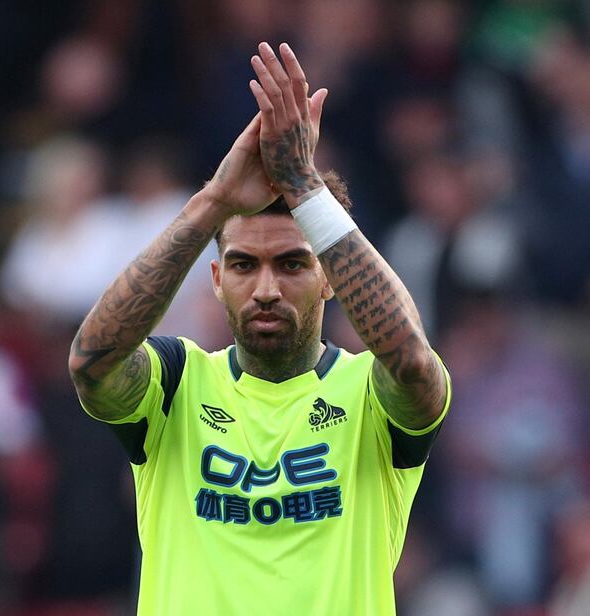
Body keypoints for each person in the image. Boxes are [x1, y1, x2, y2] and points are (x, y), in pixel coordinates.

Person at [68, 42, 451, 615]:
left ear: (330, 280)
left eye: (293, 263)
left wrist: (304, 186)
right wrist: (215, 201)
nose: (266, 288)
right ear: (217, 279)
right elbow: (91, 363)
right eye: (245, 265)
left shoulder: (372, 393)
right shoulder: (175, 384)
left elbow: (415, 364)